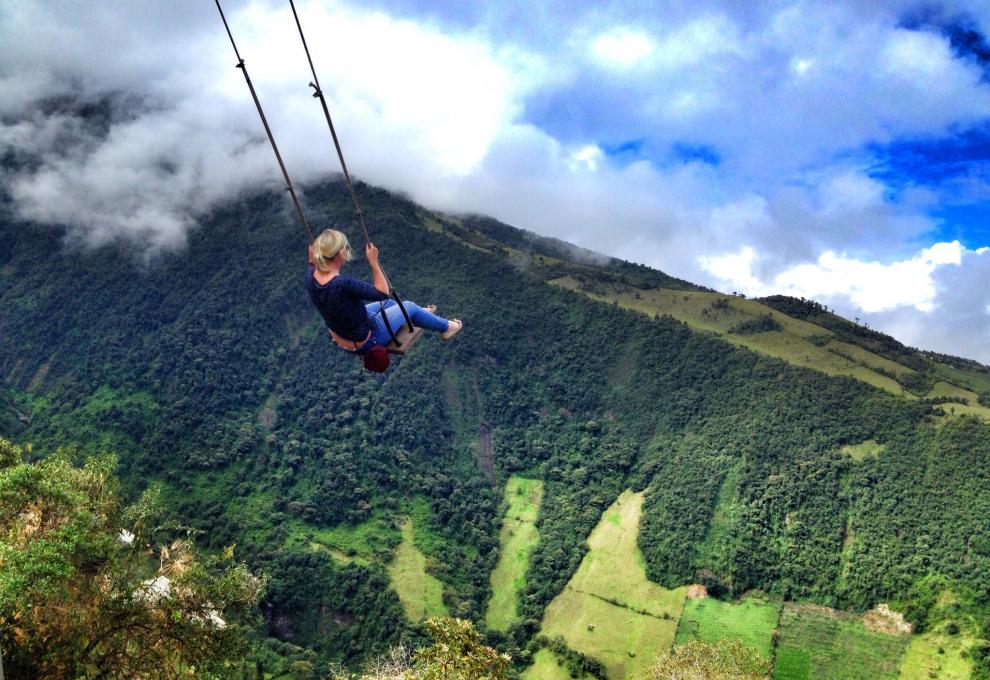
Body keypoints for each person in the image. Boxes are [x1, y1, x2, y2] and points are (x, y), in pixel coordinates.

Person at [306, 229, 462, 371]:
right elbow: (382, 293)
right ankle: (447, 327)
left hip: (343, 336)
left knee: (392, 305)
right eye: (346, 248)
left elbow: (312, 262)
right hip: (367, 339)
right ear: (341, 253)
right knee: (408, 306)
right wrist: (373, 261)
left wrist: (313, 255)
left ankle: (420, 315)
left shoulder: (310, 276)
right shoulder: (342, 284)